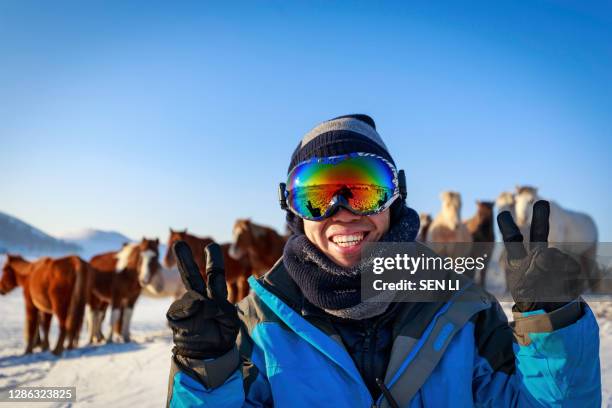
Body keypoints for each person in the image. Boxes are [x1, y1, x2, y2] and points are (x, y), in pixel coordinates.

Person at [165, 115, 601, 407]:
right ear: (293, 211)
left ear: (397, 199)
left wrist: (552, 329)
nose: (342, 210)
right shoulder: (253, 328)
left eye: (364, 187)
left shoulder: (465, 312)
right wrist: (207, 373)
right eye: (316, 194)